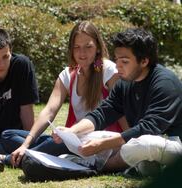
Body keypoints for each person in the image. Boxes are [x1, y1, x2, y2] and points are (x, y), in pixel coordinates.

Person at [53, 28, 182, 173]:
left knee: (145, 144)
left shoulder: (165, 83)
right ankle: (140, 164)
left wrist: (102, 144)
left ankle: (96, 167)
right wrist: (72, 131)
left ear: (144, 61)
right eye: (117, 60)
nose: (118, 66)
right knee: (83, 136)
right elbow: (103, 113)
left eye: (125, 61)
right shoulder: (124, 82)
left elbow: (149, 128)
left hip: (171, 143)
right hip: (138, 141)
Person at [8, 21, 128, 167]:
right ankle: (28, 150)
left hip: (98, 143)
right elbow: (49, 111)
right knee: (8, 135)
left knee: (44, 150)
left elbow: (121, 111)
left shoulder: (108, 71)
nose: (82, 53)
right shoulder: (68, 74)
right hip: (73, 138)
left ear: (97, 48)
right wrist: (26, 143)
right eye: (77, 47)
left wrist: (131, 141)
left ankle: (8, 158)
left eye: (88, 47)